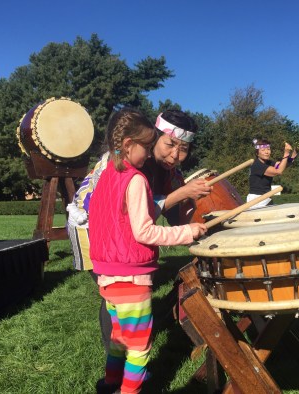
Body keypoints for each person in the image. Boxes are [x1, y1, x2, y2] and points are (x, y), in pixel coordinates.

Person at [88, 108, 207, 394]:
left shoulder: (131, 165)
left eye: (184, 149)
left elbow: (155, 215)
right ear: (149, 139)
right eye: (169, 145)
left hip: (111, 258)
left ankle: (113, 382)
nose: (176, 155)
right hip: (115, 255)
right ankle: (129, 385)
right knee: (136, 345)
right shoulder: (127, 170)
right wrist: (187, 228)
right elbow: (139, 224)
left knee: (121, 333)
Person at [247, 138, 297, 208]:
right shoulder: (257, 165)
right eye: (263, 150)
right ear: (257, 153)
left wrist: (293, 156)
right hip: (256, 200)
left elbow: (282, 165)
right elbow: (278, 171)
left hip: (266, 198)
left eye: (268, 149)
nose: (266, 152)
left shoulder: (269, 162)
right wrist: (286, 153)